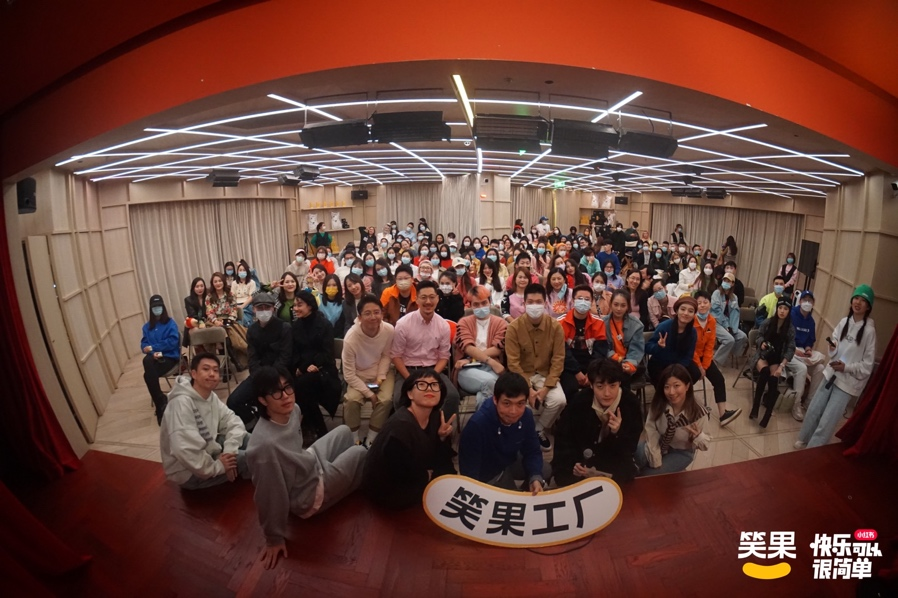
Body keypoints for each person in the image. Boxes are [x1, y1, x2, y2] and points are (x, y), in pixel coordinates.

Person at [246, 366, 367, 570]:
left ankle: (348, 475)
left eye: (287, 387)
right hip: (306, 495)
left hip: (308, 461)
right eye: (276, 392)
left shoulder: (293, 410)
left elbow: (295, 446)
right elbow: (269, 496)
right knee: (360, 452)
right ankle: (354, 479)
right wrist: (273, 538)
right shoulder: (265, 448)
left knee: (344, 431)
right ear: (262, 400)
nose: (286, 396)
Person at [796, 285, 876, 449]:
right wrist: (833, 347)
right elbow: (835, 345)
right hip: (831, 373)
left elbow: (867, 366)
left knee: (828, 419)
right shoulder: (844, 322)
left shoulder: (869, 332)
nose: (858, 302)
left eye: (863, 300)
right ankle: (804, 438)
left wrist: (846, 367)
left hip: (846, 383)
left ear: (868, 306)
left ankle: (813, 449)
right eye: (856, 298)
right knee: (814, 409)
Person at [363, 369, 456, 509]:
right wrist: (428, 476)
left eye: (434, 385)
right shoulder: (400, 425)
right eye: (422, 384)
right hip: (390, 492)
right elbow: (400, 473)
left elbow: (439, 459)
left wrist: (441, 438)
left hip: (417, 479)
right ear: (409, 393)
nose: (429, 388)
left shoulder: (436, 416)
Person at [160, 352, 249, 489]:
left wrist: (229, 451)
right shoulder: (181, 403)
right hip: (189, 471)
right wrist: (219, 467)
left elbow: (232, 421)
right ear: (194, 374)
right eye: (206, 369)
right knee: (250, 458)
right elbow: (185, 450)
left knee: (249, 439)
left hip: (209, 450)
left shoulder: (210, 396)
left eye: (216, 370)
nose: (212, 374)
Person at [458, 371, 550, 493]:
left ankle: (528, 491)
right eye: (507, 403)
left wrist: (535, 477)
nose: (513, 411)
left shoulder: (526, 416)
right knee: (509, 495)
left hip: (509, 459)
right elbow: (469, 474)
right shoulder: (477, 426)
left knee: (543, 470)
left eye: (520, 403)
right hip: (488, 474)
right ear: (495, 400)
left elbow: (532, 450)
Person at [554, 359, 641, 485]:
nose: (607, 393)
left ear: (619, 383)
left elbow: (630, 448)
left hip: (613, 462)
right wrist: (575, 464)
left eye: (612, 386)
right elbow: (564, 439)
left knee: (624, 479)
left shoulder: (630, 404)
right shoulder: (579, 401)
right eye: (600, 386)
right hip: (581, 461)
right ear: (591, 385)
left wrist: (617, 433)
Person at [505, 283, 566, 451]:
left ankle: (538, 429)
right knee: (519, 403)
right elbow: (513, 363)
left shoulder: (555, 327)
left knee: (559, 400)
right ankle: (522, 432)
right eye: (530, 302)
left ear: (545, 303)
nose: (534, 305)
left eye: (538, 302)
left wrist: (547, 388)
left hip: (545, 374)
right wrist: (529, 389)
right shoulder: (513, 328)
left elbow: (558, 360)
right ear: (524, 304)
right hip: (522, 375)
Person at [390, 279, 460, 419]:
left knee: (452, 396)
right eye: (423, 297)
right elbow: (396, 356)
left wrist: (431, 377)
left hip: (433, 370)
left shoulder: (443, 325)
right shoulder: (403, 324)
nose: (428, 301)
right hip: (408, 371)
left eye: (432, 297)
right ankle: (411, 430)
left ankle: (441, 429)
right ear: (416, 299)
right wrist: (411, 379)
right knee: (400, 398)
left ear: (437, 299)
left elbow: (444, 357)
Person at [226, 293, 292, 426]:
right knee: (233, 401)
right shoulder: (252, 330)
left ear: (273, 309)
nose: (263, 311)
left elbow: (285, 357)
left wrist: (271, 377)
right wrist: (258, 377)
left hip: (279, 375)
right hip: (258, 375)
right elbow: (252, 358)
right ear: (253, 310)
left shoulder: (284, 327)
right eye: (260, 308)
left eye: (267, 307)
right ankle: (255, 426)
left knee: (271, 399)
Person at [635, 364, 710, 476]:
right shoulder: (659, 403)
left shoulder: (698, 412)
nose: (671, 392)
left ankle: (675, 472)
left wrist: (699, 437)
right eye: (667, 387)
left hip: (681, 451)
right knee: (636, 455)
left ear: (687, 386)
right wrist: (655, 456)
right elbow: (651, 429)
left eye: (676, 386)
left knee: (647, 474)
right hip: (658, 441)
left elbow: (706, 445)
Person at [341, 294, 395, 446]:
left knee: (385, 400)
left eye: (377, 312)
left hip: (381, 372)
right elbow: (349, 375)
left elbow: (386, 355)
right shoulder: (351, 339)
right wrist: (369, 393)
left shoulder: (389, 330)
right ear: (359, 317)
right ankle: (354, 439)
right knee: (352, 400)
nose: (373, 317)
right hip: (359, 375)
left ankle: (371, 439)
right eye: (367, 313)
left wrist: (379, 378)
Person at [291, 290, 341, 441]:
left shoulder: (324, 325)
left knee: (302, 386)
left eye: (299, 305)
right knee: (297, 386)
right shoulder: (295, 326)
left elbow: (327, 353)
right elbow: (294, 352)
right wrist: (299, 367)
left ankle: (314, 428)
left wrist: (311, 365)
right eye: (294, 306)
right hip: (303, 370)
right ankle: (317, 430)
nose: (296, 308)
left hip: (323, 369)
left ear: (310, 306)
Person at [692, 290, 741, 426]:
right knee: (688, 380)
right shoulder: (691, 321)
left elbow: (710, 346)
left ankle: (723, 414)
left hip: (704, 358)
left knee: (719, 379)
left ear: (710, 304)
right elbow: (690, 348)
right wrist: (699, 367)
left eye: (705, 302)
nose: (702, 305)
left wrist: (705, 366)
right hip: (691, 358)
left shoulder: (712, 321)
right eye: (699, 303)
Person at [454, 286, 508, 408]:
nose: (480, 307)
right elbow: (467, 348)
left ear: (489, 302)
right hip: (467, 369)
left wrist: (471, 358)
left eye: (484, 303)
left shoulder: (500, 323)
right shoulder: (463, 322)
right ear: (470, 305)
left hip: (491, 368)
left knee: (486, 391)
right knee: (490, 383)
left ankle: (480, 419)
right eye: (476, 304)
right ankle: (488, 419)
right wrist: (488, 361)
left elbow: (497, 349)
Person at [749, 297, 796, 428]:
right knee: (764, 372)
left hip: (777, 358)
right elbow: (759, 336)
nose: (782, 311)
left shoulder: (790, 329)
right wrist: (762, 343)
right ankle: (755, 406)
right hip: (763, 355)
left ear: (789, 311)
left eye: (785, 309)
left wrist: (782, 366)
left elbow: (791, 348)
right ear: (777, 308)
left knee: (773, 379)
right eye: (780, 308)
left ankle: (768, 413)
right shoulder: (768, 322)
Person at [558, 285, 609, 400]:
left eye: (587, 299)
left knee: (599, 387)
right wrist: (577, 372)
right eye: (579, 298)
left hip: (592, 365)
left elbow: (600, 352)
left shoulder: (599, 322)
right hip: (568, 366)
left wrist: (590, 373)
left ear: (591, 302)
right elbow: (562, 352)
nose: (583, 302)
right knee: (570, 389)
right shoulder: (561, 322)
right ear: (573, 300)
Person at [140, 295, 180, 425]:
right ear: (151, 309)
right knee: (147, 361)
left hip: (169, 357)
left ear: (163, 307)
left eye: (159, 306)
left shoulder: (170, 323)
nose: (157, 309)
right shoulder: (146, 327)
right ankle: (160, 402)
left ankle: (160, 403)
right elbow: (144, 344)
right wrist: (151, 352)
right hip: (154, 359)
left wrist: (154, 348)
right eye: (154, 307)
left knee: (147, 375)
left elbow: (173, 342)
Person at [788, 291, 827, 421]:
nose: (807, 303)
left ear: (813, 303)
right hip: (789, 350)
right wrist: (794, 349)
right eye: (805, 300)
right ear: (800, 301)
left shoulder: (811, 321)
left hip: (802, 353)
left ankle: (809, 402)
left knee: (820, 368)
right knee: (802, 369)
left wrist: (808, 349)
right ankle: (796, 405)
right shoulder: (791, 314)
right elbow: (784, 336)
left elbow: (810, 340)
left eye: (810, 301)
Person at [646, 295, 699, 386]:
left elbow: (689, 355)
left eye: (690, 311)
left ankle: (682, 392)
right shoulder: (664, 326)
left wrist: (678, 370)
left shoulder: (692, 331)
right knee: (665, 381)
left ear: (694, 314)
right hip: (660, 363)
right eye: (683, 309)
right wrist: (658, 346)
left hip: (680, 363)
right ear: (677, 311)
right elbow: (647, 347)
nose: (686, 313)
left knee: (695, 373)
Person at [603, 289, 646, 379]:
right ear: (610, 304)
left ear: (628, 307)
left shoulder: (636, 325)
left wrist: (629, 364)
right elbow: (602, 347)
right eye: (616, 304)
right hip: (608, 362)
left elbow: (636, 349)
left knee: (624, 375)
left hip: (628, 363)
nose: (619, 309)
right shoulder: (602, 323)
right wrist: (615, 358)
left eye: (623, 305)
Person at [710, 272, 748, 366]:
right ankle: (715, 362)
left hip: (729, 323)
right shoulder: (716, 293)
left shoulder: (734, 297)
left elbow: (735, 314)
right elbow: (716, 311)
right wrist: (726, 325)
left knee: (742, 337)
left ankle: (730, 354)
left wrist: (732, 328)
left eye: (728, 281)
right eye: (724, 280)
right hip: (716, 321)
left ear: (732, 284)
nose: (726, 283)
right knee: (729, 339)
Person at [232, 260, 257, 327]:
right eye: (240, 270)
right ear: (237, 272)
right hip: (236, 305)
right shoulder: (234, 283)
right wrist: (236, 306)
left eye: (244, 270)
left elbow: (251, 297)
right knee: (236, 320)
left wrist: (242, 306)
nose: (242, 272)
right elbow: (232, 296)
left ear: (247, 271)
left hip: (248, 305)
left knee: (244, 319)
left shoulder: (252, 282)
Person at [183, 277, 206, 347]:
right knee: (197, 331)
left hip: (207, 323)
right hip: (195, 324)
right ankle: (201, 351)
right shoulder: (188, 300)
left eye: (202, 286)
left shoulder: (208, 297)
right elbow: (192, 315)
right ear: (193, 288)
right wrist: (202, 322)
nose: (200, 288)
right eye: (197, 286)